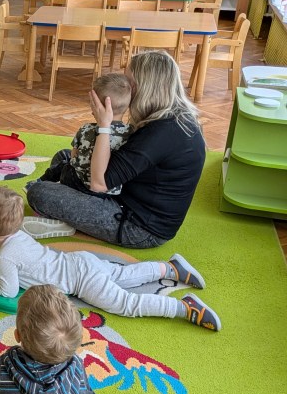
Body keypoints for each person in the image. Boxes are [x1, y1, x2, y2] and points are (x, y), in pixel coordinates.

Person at [25, 51, 206, 248]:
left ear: (142, 87)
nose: (123, 87)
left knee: (38, 192)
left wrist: (104, 126)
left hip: (138, 227)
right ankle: (66, 212)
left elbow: (99, 183)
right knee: (65, 157)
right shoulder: (174, 117)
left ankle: (64, 217)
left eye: (127, 82)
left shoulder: (159, 133)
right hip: (129, 192)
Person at [0, 186, 219, 330]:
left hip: (82, 281)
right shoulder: (20, 237)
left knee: (127, 304)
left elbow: (7, 289)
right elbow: (22, 264)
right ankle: (169, 269)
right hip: (80, 261)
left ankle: (184, 308)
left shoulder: (6, 257)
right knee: (123, 274)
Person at [35, 73, 133, 196]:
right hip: (113, 190)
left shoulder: (87, 129)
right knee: (62, 154)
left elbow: (74, 156)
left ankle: (41, 183)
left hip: (82, 185)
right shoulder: (132, 132)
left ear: (98, 106)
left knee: (64, 164)